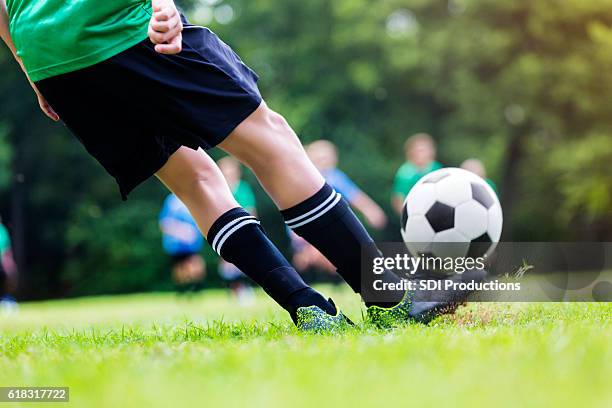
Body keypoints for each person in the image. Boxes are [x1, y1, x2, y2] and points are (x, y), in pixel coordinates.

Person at [1, 0, 479, 331]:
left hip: (51, 57)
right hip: (120, 25)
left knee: (196, 180)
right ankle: (391, 299)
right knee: (273, 142)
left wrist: (33, 68)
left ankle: (309, 310)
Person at [291, 140, 387, 274]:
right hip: (305, 232)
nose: (324, 163)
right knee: (309, 258)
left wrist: (371, 210)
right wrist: (302, 241)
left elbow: (355, 196)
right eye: (320, 159)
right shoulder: (304, 179)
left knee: (345, 253)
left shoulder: (335, 177)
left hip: (329, 228)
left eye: (327, 159)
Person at [217, 156, 256, 304]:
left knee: (245, 260)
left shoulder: (243, 188)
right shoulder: (219, 189)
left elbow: (251, 209)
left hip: (242, 227)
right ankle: (233, 289)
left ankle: (245, 288)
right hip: (224, 228)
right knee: (227, 262)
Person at [159, 194, 206, 291]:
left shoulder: (193, 196)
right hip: (175, 245)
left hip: (192, 244)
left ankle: (195, 288)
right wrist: (179, 231)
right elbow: (164, 222)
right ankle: (182, 290)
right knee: (180, 269)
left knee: (196, 266)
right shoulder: (172, 201)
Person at [391, 133, 443, 215]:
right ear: (412, 152)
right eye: (419, 150)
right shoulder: (405, 173)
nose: (422, 154)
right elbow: (398, 199)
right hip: (416, 214)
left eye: (425, 150)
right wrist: (407, 216)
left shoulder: (436, 168)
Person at [0, 217, 18, 312]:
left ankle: (6, 298)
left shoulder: (2, 231)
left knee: (10, 276)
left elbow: (6, 250)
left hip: (2, 261)